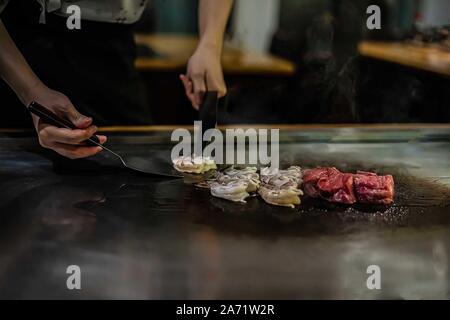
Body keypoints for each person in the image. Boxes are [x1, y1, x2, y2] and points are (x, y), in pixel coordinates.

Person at [0, 0, 233, 159]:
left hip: (112, 48)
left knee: (138, 172)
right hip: (16, 55)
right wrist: (30, 90)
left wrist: (209, 45)